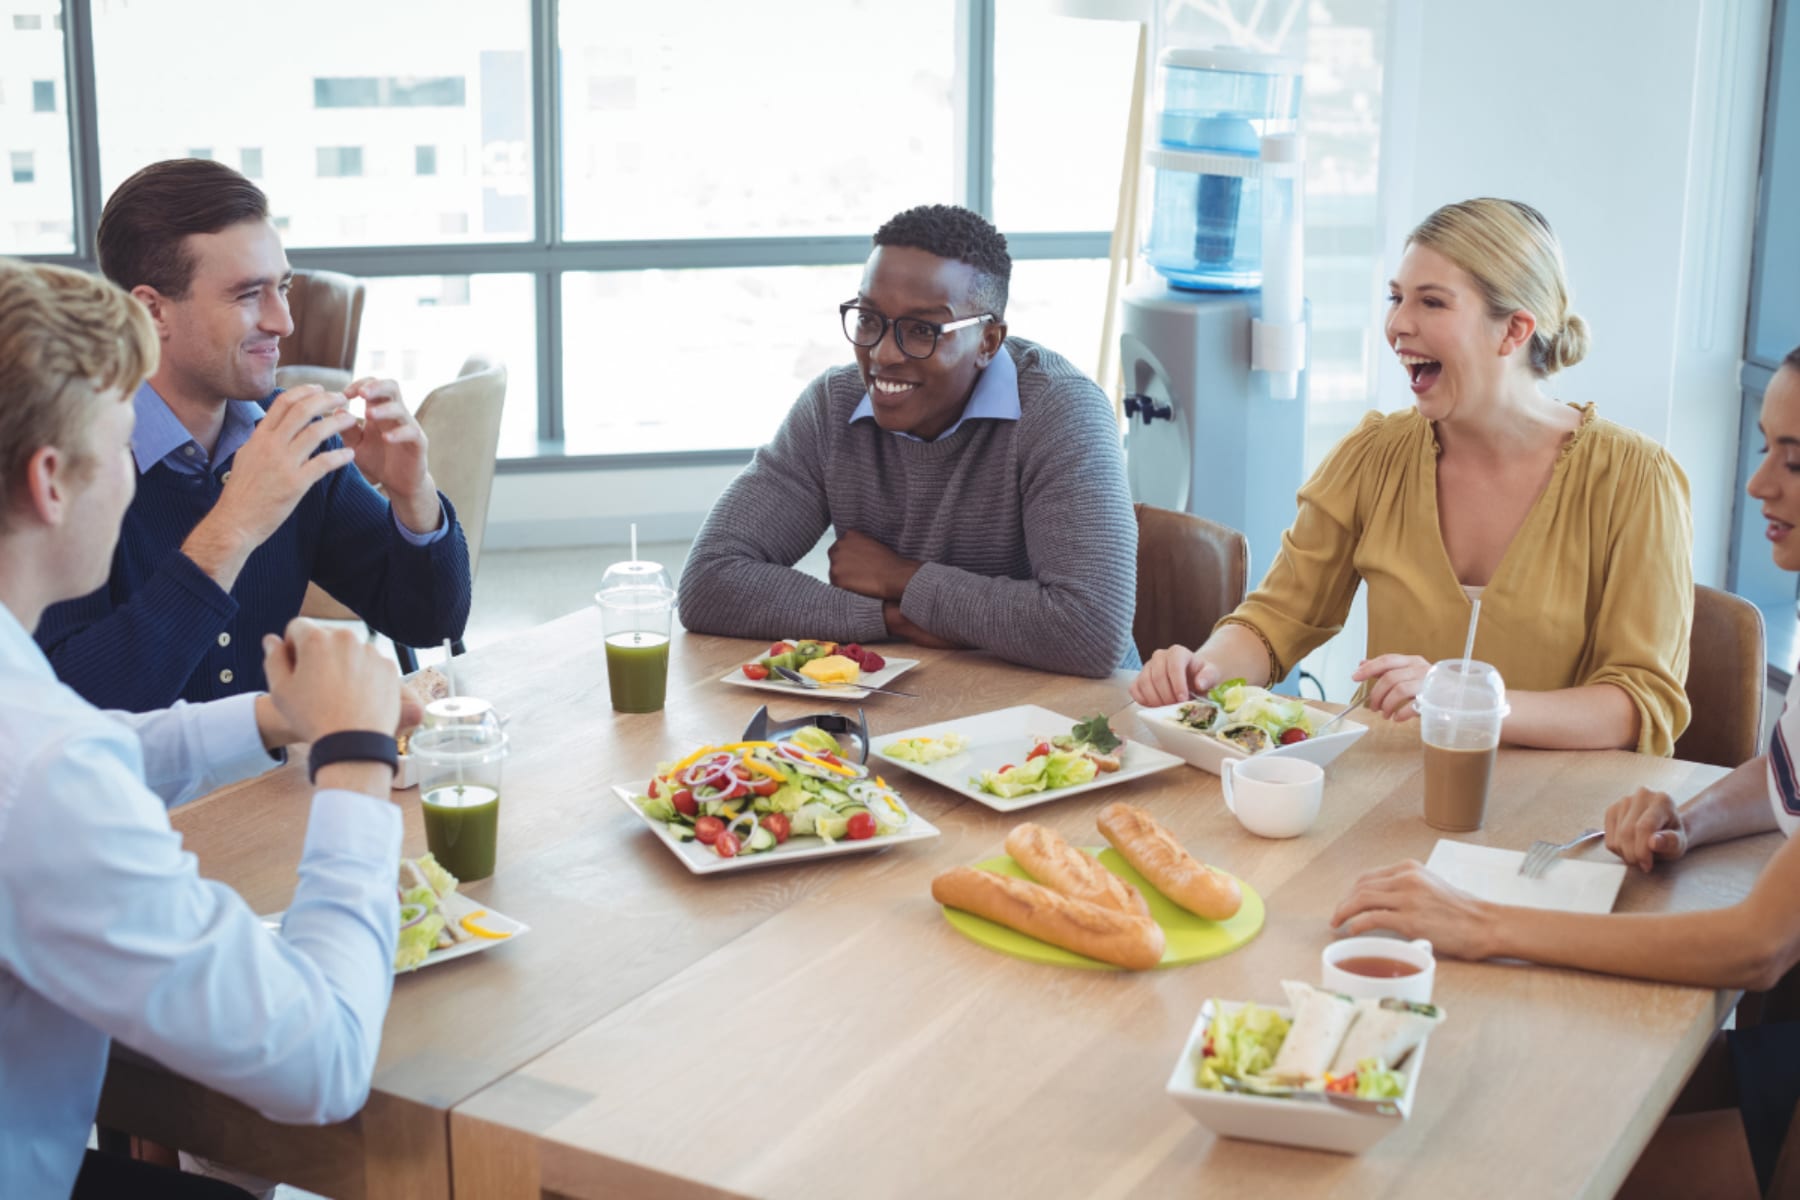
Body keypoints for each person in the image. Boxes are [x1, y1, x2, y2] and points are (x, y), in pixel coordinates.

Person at [1331, 347, 1800, 1197]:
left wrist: (1489, 924)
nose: (1759, 484)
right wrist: (1691, 818)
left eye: (1793, 461)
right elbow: (1784, 776)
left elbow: (1758, 945)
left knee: (1501, 1167)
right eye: (1765, 448)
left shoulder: (1632, 475)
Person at [0, 259, 414, 1199]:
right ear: (51, 481)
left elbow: (71, 761)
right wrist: (353, 761)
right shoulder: (47, 771)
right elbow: (322, 1062)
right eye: (122, 447)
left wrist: (275, 716)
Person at [1130, 198, 1693, 754]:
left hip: (1552, 811)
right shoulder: (1374, 456)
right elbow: (1276, 619)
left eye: (1432, 303)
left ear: (1514, 330)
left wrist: (1464, 701)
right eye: (1396, 298)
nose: (1398, 324)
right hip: (1388, 796)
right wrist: (1198, 675)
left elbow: (1637, 703)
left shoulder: (1636, 481)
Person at [34, 158, 472, 712]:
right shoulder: (61, 468)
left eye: (282, 287)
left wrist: (414, 496)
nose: (283, 321)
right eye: (247, 295)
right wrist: (234, 524)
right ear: (150, 311)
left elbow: (428, 622)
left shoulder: (292, 431)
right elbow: (75, 709)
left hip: (268, 787)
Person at [677, 204, 1137, 678]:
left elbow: (1091, 630)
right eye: (869, 319)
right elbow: (708, 581)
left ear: (988, 341)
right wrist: (890, 617)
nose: (883, 354)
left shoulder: (1061, 411)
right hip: (916, 694)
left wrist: (901, 576)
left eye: (922, 330)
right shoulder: (832, 407)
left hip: (1072, 720)